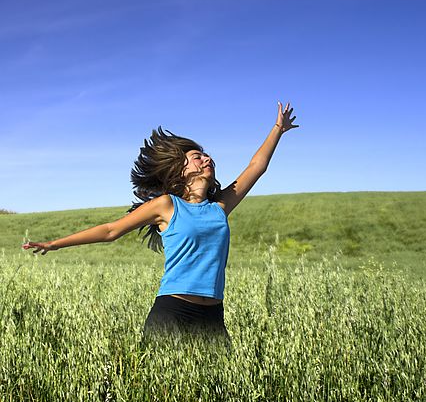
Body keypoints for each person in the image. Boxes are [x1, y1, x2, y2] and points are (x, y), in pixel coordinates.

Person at [23, 101, 299, 346]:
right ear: (180, 169)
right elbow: (111, 231)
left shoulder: (220, 207)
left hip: (213, 315)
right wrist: (54, 244)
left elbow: (256, 167)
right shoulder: (167, 205)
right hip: (172, 312)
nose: (207, 159)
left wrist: (278, 128)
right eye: (197, 157)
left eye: (207, 156)